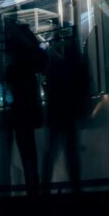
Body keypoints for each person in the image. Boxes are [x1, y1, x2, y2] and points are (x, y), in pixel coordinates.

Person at [0, 0, 45, 197]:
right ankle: (33, 197)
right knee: (26, 153)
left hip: (0, 104)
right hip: (22, 101)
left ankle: (4, 199)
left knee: (4, 156)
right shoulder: (23, 33)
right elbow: (41, 60)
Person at [41, 23, 88, 194]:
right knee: (70, 152)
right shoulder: (73, 56)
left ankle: (45, 188)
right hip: (68, 108)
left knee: (52, 151)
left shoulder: (52, 57)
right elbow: (82, 80)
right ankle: (75, 188)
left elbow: (48, 80)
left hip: (56, 109)